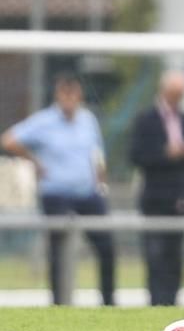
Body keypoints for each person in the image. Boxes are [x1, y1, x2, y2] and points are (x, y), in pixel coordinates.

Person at [1, 74, 116, 306]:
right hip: (57, 193)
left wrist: (101, 180)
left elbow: (97, 154)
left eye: (73, 95)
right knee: (60, 250)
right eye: (65, 95)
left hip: (87, 193)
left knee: (106, 245)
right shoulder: (44, 121)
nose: (69, 100)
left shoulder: (88, 120)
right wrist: (34, 161)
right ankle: (60, 302)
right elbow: (9, 140)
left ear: (79, 96)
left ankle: (109, 301)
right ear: (58, 95)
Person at [130, 69, 184, 306]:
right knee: (155, 256)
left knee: (175, 258)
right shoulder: (146, 120)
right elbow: (136, 156)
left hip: (180, 198)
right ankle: (156, 304)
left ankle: (171, 303)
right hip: (154, 198)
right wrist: (167, 154)